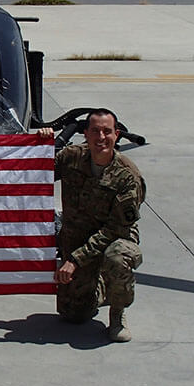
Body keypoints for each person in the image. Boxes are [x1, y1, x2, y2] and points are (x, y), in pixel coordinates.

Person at [38, 109, 146, 342]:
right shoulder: (72, 157)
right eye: (95, 131)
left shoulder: (127, 176)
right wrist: (41, 145)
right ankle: (100, 286)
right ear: (85, 134)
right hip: (77, 237)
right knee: (73, 315)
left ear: (117, 135)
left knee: (118, 257)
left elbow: (115, 229)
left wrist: (74, 260)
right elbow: (37, 174)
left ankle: (117, 312)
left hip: (115, 238)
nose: (101, 137)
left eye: (107, 131)